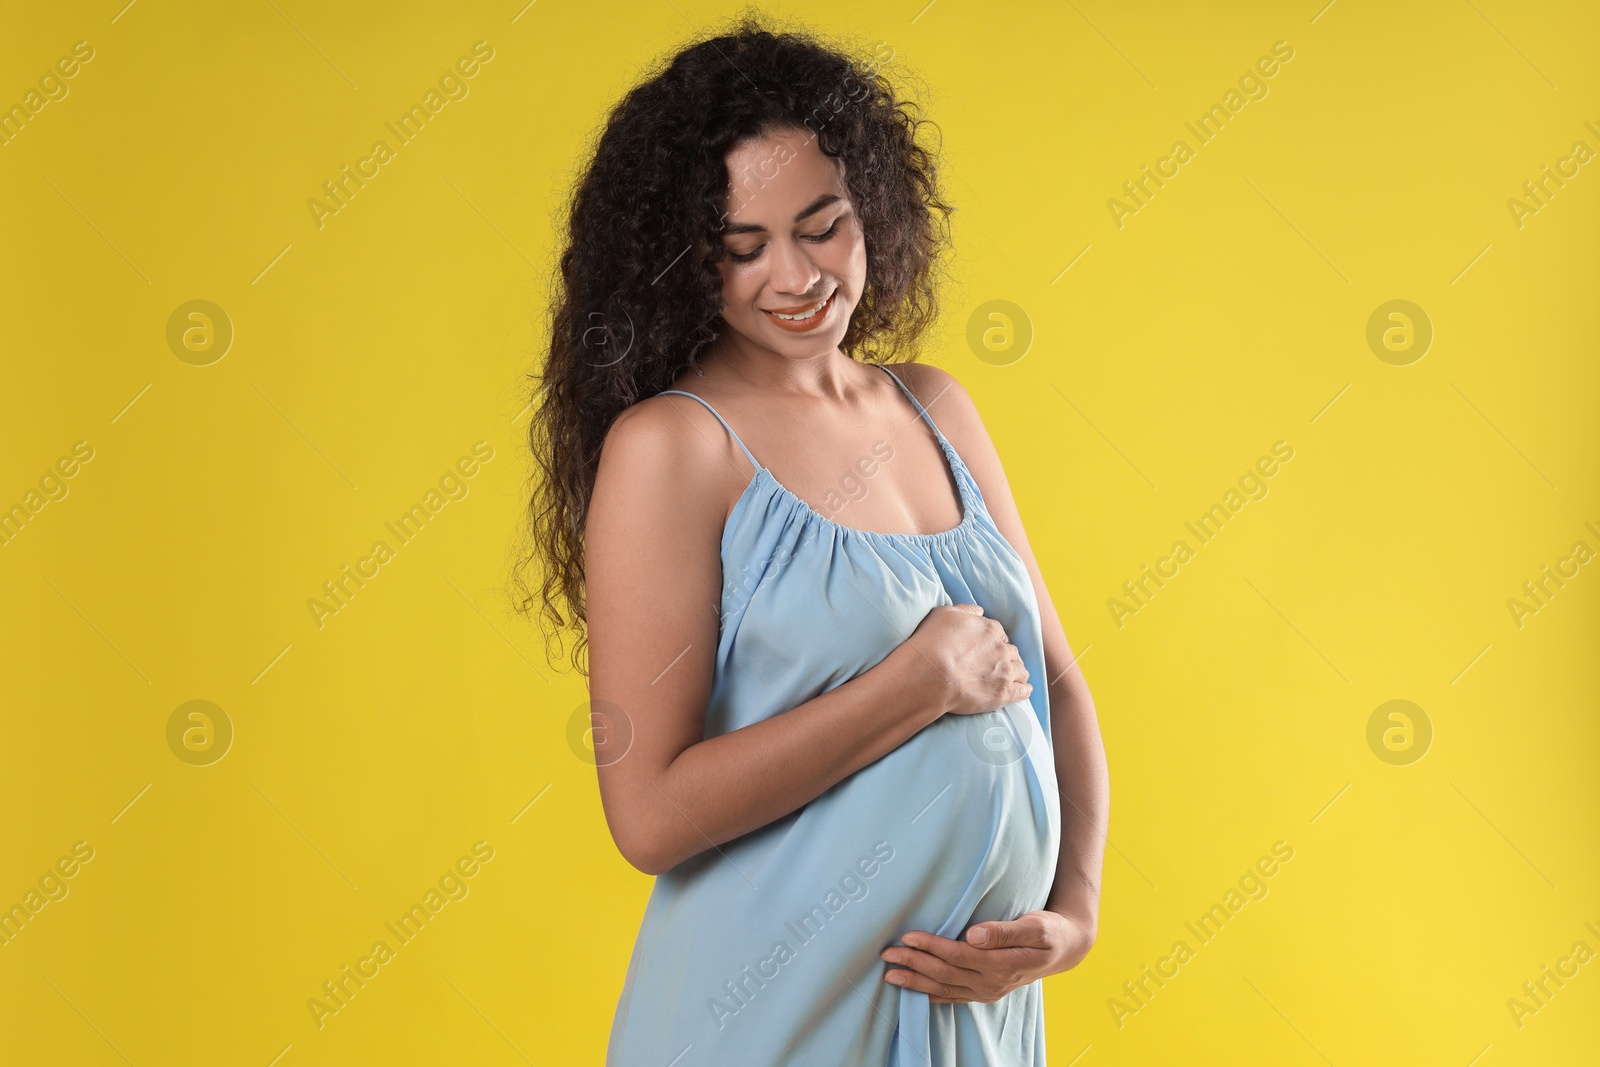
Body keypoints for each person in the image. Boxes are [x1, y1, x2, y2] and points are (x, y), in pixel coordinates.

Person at [514, 16, 1109, 1065]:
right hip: (775, 1018)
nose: (796, 276)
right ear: (681, 263)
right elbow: (647, 812)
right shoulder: (676, 449)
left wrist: (1071, 916)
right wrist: (910, 683)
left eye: (822, 225)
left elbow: (1055, 682)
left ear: (871, 206)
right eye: (741, 249)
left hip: (977, 1019)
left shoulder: (935, 407)